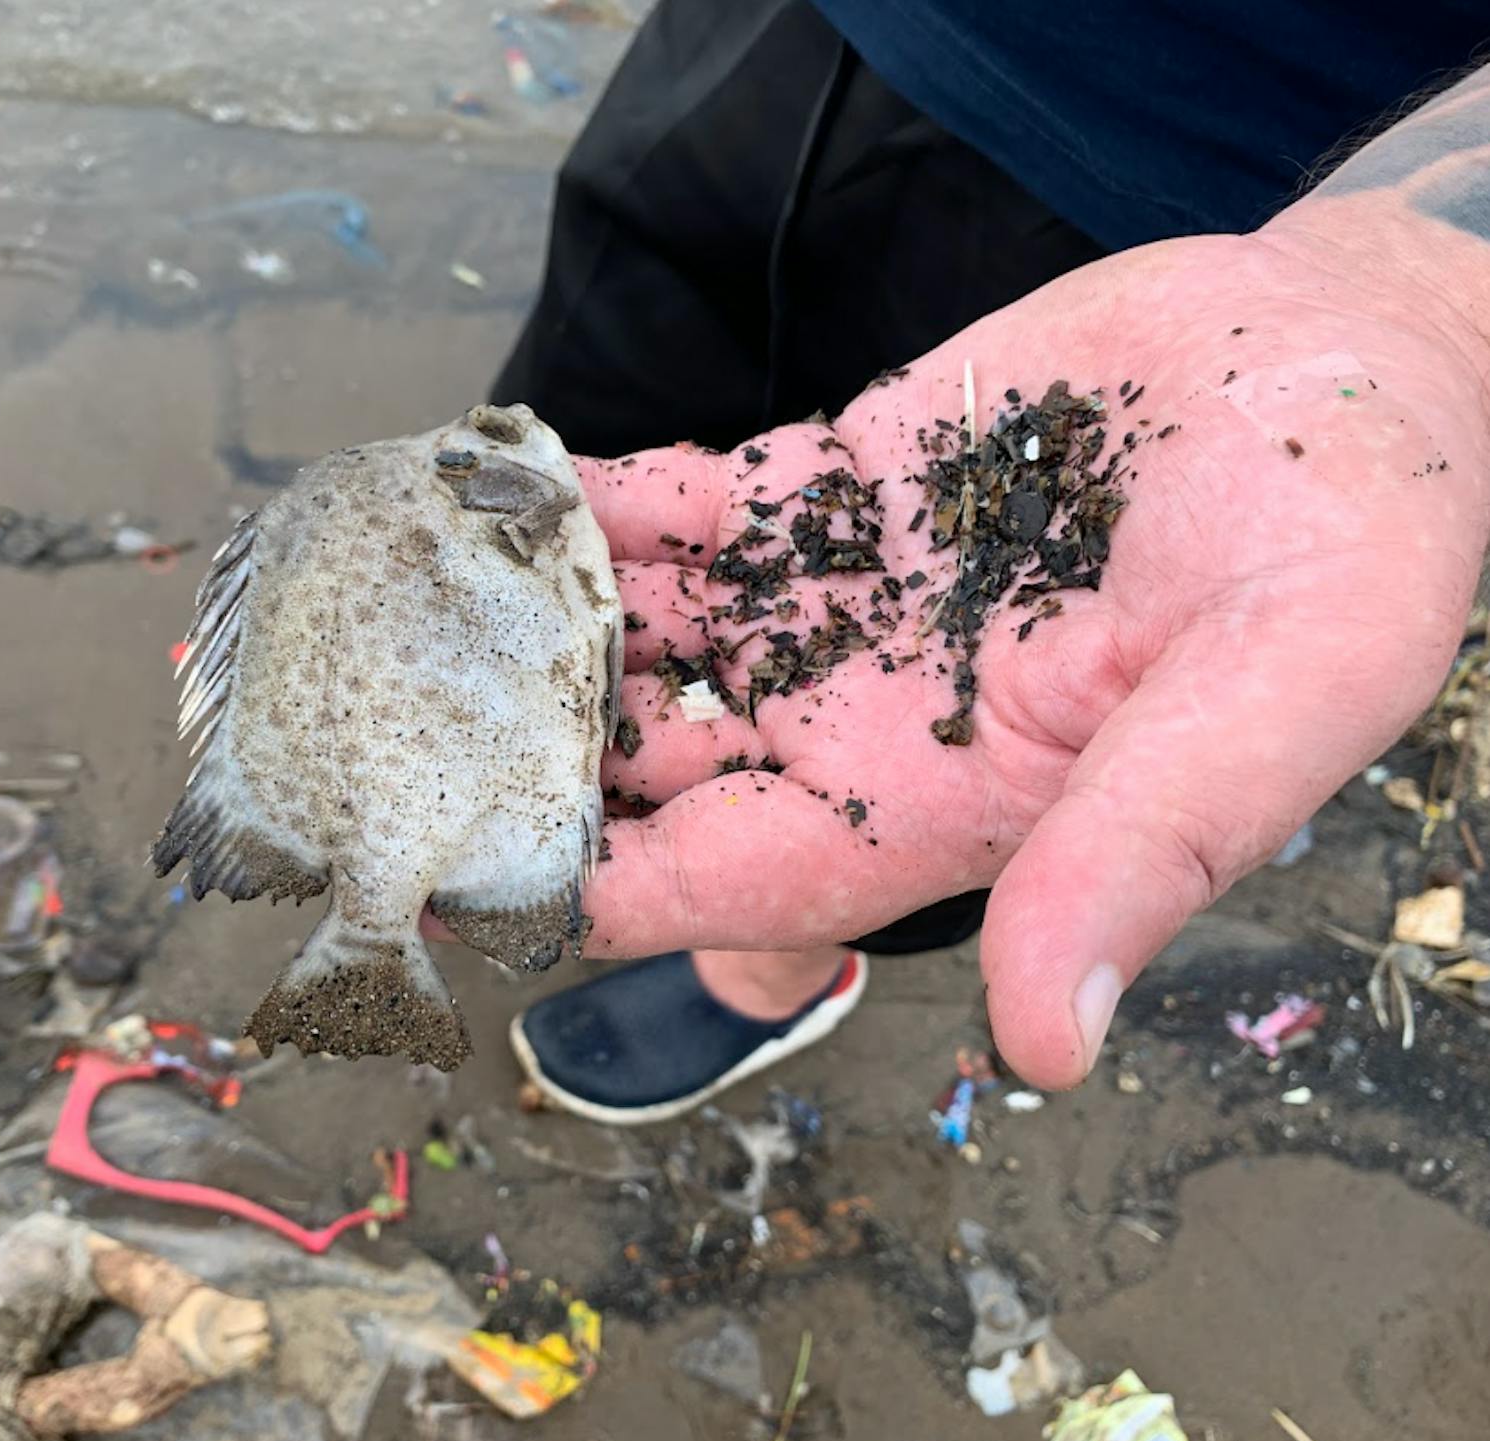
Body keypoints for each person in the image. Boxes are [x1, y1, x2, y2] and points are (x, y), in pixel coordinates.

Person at [467, 0, 1490, 1123]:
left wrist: (1419, 286)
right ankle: (543, 784)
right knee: (573, 485)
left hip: (1211, 179)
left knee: (910, 725)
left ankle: (776, 965)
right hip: (799, 27)